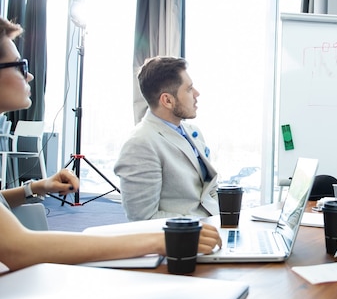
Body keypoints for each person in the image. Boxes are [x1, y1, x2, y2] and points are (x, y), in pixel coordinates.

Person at [0, 16, 222, 271]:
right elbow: (18, 249)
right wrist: (160, 240)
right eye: (20, 66)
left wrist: (36, 187)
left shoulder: (191, 132)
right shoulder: (142, 141)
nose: (29, 76)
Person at [114, 56, 220, 221]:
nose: (197, 94)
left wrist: (225, 221)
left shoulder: (193, 132)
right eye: (189, 89)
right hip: (182, 240)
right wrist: (204, 225)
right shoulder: (140, 143)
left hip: (213, 228)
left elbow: (209, 189)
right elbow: (143, 218)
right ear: (167, 100)